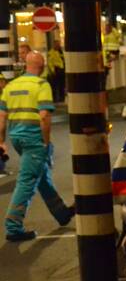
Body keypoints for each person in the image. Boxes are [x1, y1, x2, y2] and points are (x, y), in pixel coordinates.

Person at [0, 51, 74, 242]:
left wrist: (2, 141)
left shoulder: (11, 86)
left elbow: (1, 117)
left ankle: (61, 212)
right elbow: (44, 116)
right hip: (34, 139)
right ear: (41, 67)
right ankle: (13, 226)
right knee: (28, 180)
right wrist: (45, 141)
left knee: (40, 175)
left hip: (16, 137)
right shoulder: (42, 85)